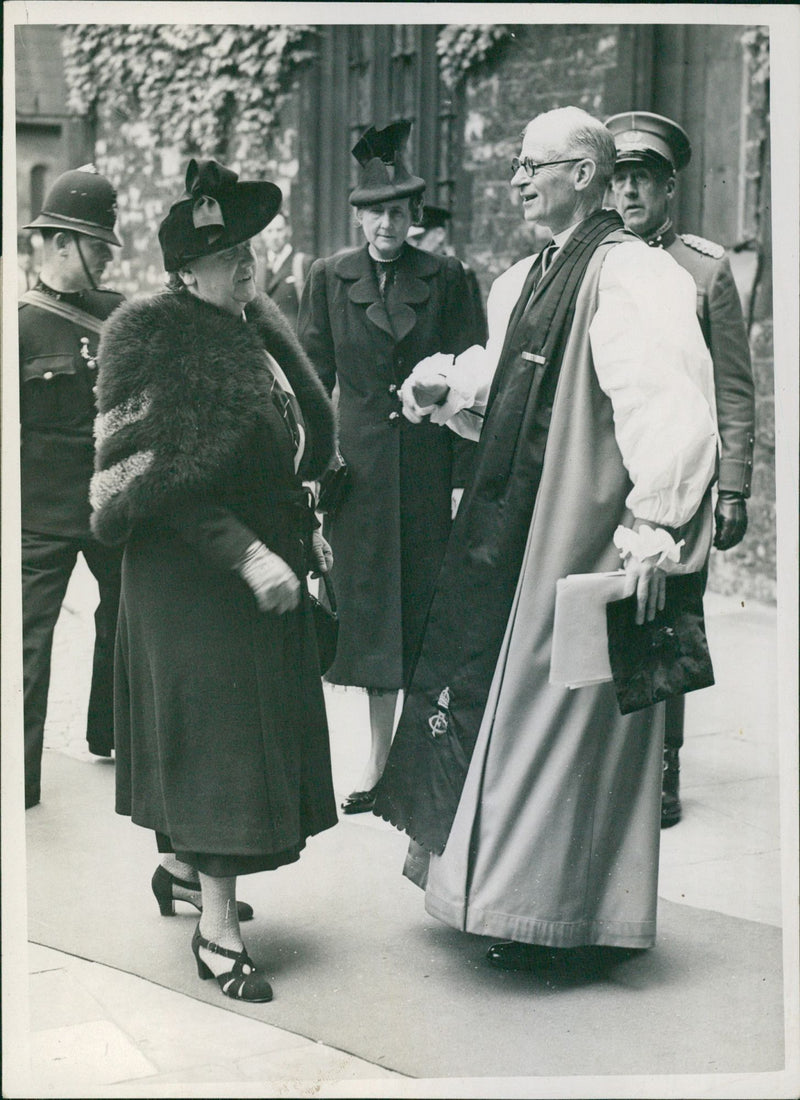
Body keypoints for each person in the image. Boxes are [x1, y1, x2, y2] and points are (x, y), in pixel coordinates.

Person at [372, 107, 718, 970]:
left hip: (587, 530)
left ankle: (556, 917)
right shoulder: (529, 274)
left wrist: (655, 528)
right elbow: (513, 382)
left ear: (586, 176)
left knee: (563, 716)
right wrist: (446, 390)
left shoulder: (634, 276)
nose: (520, 179)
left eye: (537, 164)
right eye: (520, 164)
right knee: (505, 704)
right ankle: (488, 892)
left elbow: (667, 406)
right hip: (517, 526)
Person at [90, 158, 338, 1003]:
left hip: (251, 570)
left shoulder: (250, 325)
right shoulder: (150, 337)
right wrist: (251, 555)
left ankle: (178, 870)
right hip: (189, 580)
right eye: (228, 254)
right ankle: (217, 929)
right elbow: (153, 485)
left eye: (250, 250)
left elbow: (291, 436)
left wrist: (304, 527)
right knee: (222, 748)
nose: (248, 265)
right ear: (183, 271)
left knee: (219, 737)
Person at [297, 120, 484, 815]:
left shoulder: (448, 278)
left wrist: (464, 482)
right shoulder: (326, 278)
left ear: (414, 218)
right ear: (359, 216)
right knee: (372, 623)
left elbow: (474, 377)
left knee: (426, 617)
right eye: (375, 213)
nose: (386, 225)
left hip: (428, 476)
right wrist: (313, 468)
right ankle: (376, 767)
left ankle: (421, 765)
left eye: (399, 213)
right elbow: (312, 380)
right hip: (359, 478)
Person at [606, 110, 756, 827]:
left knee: (671, 613)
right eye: (621, 179)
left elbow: (733, 384)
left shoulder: (703, 267)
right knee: (608, 603)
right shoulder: (599, 262)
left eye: (644, 179)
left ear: (670, 188)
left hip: (684, 478)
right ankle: (611, 754)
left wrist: (734, 489)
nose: (630, 193)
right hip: (613, 470)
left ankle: (663, 766)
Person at [19, 165, 125, 809]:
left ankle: (115, 744)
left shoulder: (118, 315)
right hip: (39, 516)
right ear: (61, 243)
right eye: (95, 246)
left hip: (110, 506)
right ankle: (19, 780)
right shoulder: (19, 325)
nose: (104, 259)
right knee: (30, 648)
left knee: (130, 624)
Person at [408, 204, 488, 342]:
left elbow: (473, 332)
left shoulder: (461, 273)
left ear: (439, 235)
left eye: (419, 237)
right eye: (410, 239)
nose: (414, 244)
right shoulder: (407, 271)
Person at [262, 211, 313, 328]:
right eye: (269, 231)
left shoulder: (302, 263)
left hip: (293, 337)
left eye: (279, 230)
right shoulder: (257, 266)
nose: (274, 237)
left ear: (288, 231)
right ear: (263, 234)